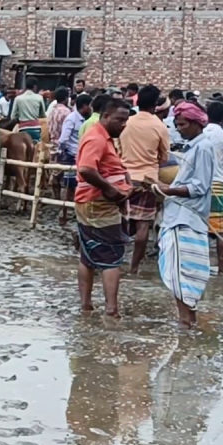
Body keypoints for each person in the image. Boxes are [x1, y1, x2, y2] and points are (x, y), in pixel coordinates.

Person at [154, 101, 215, 327]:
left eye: (182, 125)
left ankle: (186, 322)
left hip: (186, 219)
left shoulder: (203, 148)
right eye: (177, 125)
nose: (178, 129)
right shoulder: (193, 147)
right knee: (182, 272)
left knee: (182, 273)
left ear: (196, 124)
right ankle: (187, 321)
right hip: (180, 216)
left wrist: (167, 189)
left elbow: (199, 187)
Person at [75, 100, 132, 317]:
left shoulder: (103, 137)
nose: (123, 125)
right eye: (119, 120)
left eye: (125, 120)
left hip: (93, 202)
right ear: (105, 116)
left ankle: (86, 306)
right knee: (111, 257)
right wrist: (110, 190)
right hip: (99, 204)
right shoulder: (96, 138)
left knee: (88, 255)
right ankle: (111, 310)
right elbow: (86, 169)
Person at [119, 84, 170, 274]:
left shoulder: (127, 122)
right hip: (147, 180)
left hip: (125, 177)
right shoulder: (159, 126)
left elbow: (118, 148)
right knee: (143, 225)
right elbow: (164, 157)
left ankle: (114, 261)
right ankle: (134, 268)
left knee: (120, 220)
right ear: (155, 104)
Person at [201, 101, 223, 274]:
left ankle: (201, 267)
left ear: (207, 116)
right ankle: (221, 270)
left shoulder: (199, 135)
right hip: (219, 187)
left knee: (200, 231)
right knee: (221, 232)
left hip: (199, 187)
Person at [56, 93, 91, 225]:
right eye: (89, 105)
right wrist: (65, 152)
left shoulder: (84, 119)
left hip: (81, 155)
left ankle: (75, 213)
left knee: (78, 185)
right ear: (84, 106)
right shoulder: (71, 119)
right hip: (71, 155)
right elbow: (63, 139)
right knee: (68, 185)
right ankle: (63, 213)